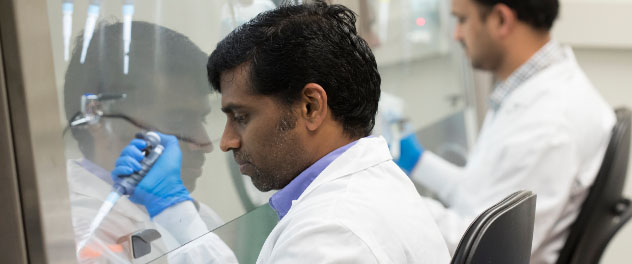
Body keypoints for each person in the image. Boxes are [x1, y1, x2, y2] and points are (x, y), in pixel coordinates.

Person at [115, 2, 451, 263]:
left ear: (310, 107)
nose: (226, 141)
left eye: (242, 117)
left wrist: (175, 212)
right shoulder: (369, 190)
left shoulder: (329, 235)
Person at [394, 0, 615, 263]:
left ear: (501, 19)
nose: (457, 34)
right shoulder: (529, 92)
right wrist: (417, 161)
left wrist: (389, 201)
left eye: (462, 20)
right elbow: (477, 194)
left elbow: (483, 247)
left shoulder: (549, 124)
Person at [64, 21, 236, 263]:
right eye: (177, 119)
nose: (204, 143)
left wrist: (178, 214)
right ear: (99, 121)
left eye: (202, 119)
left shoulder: (193, 214)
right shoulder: (76, 237)